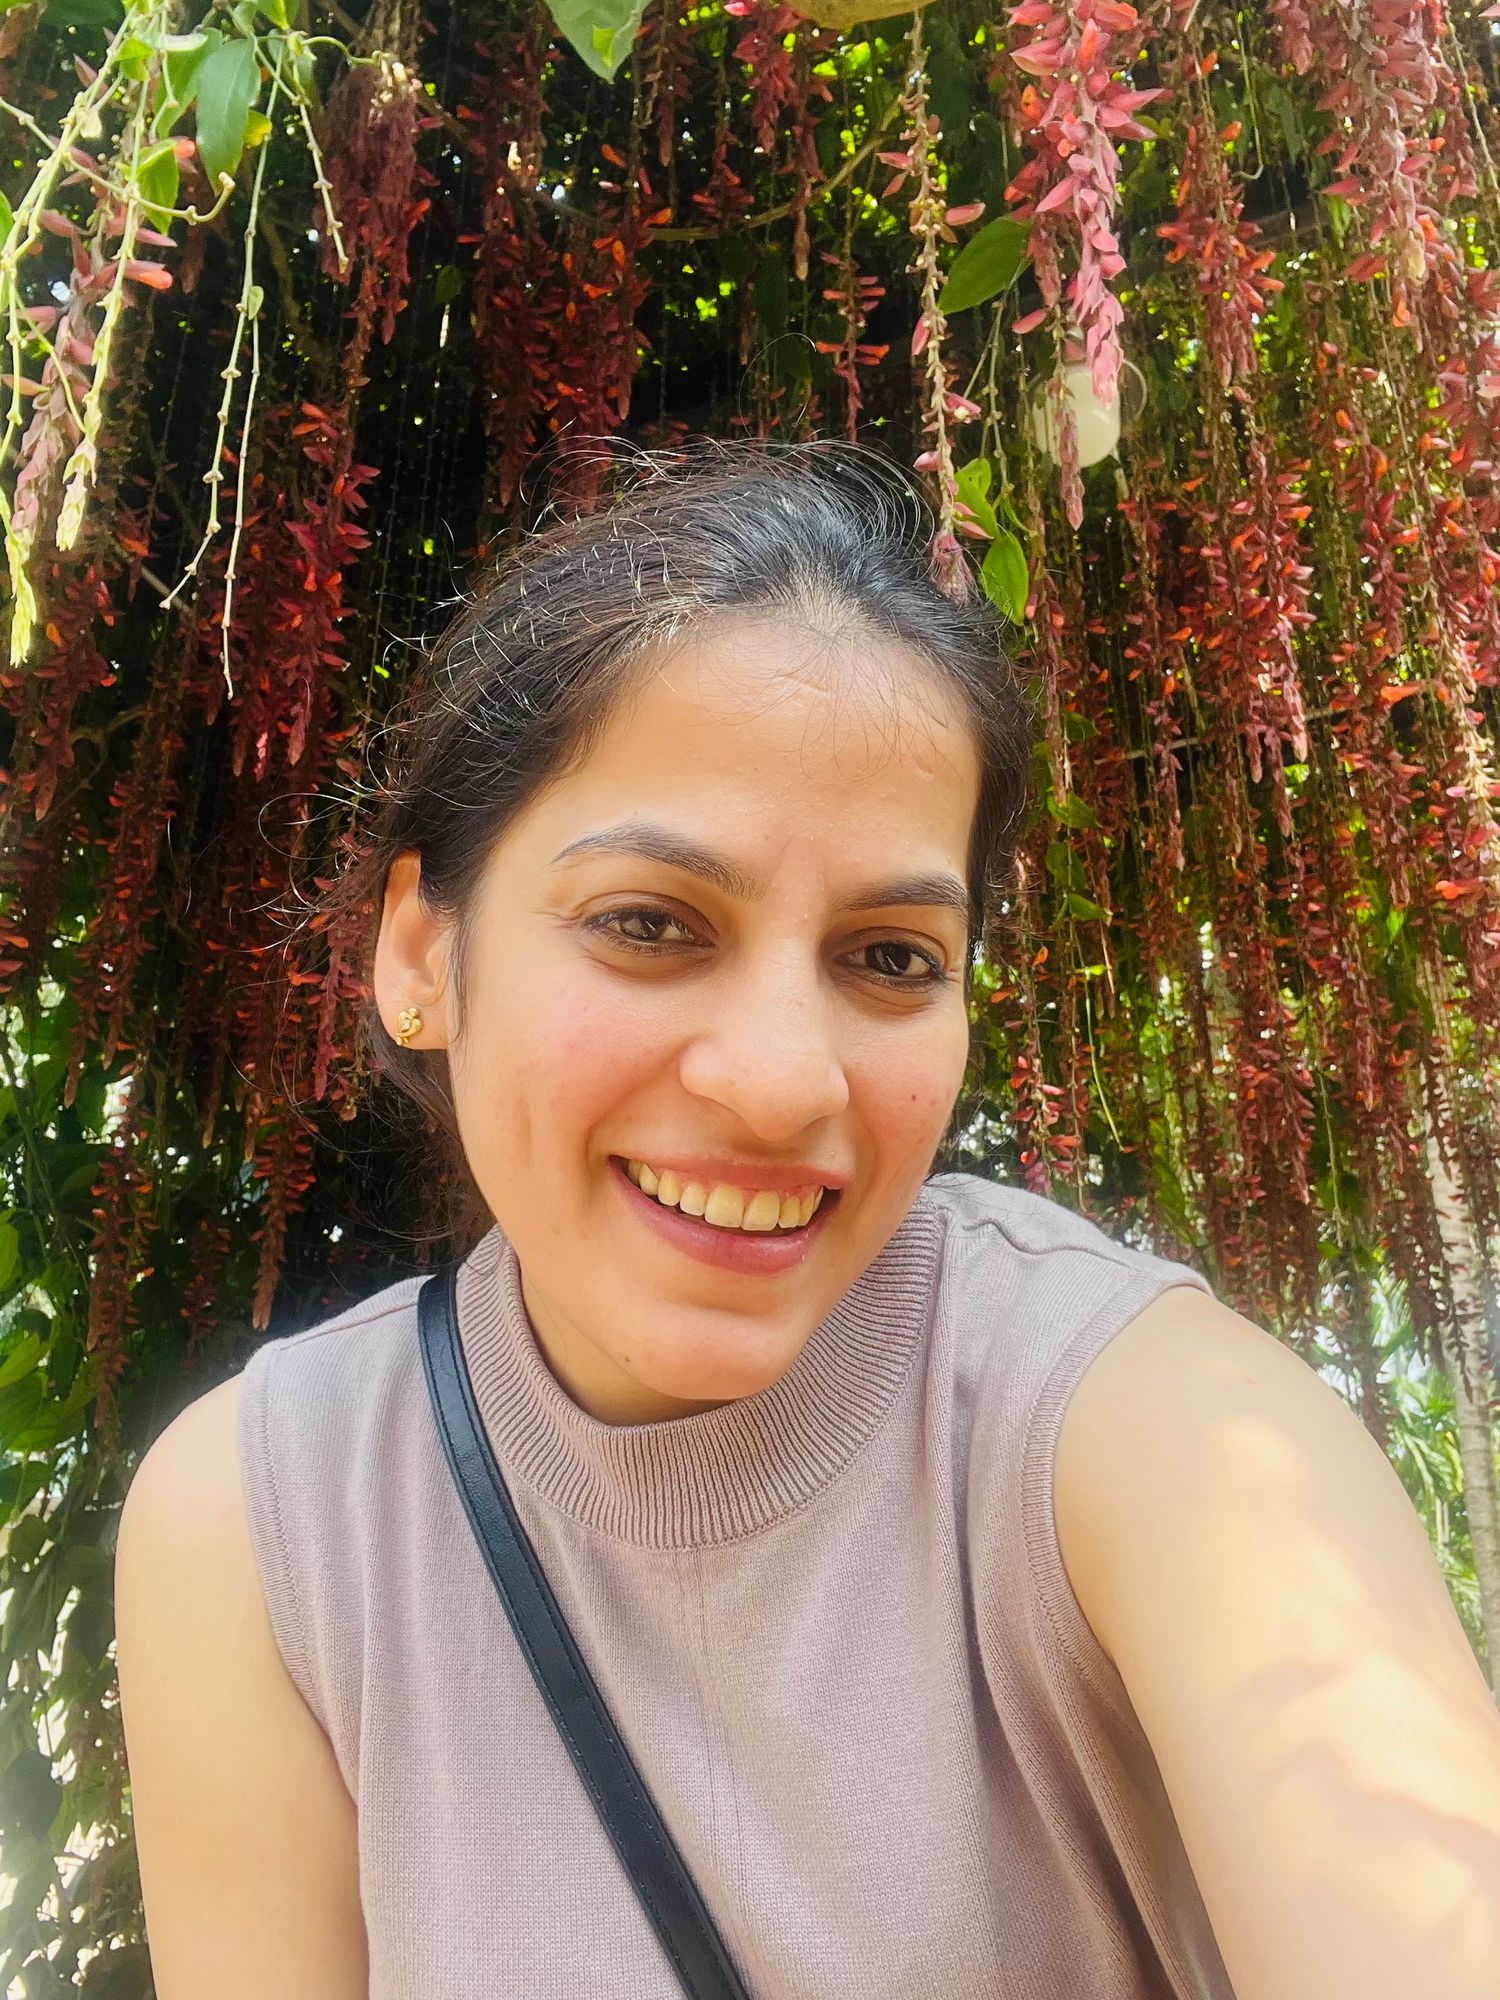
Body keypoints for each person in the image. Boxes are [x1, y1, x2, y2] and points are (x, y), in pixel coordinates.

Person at [114, 442, 1500, 2000]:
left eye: (890, 957)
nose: (782, 1084)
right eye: (650, 924)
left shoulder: (1144, 1425)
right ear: (421, 957)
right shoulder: (265, 1522)